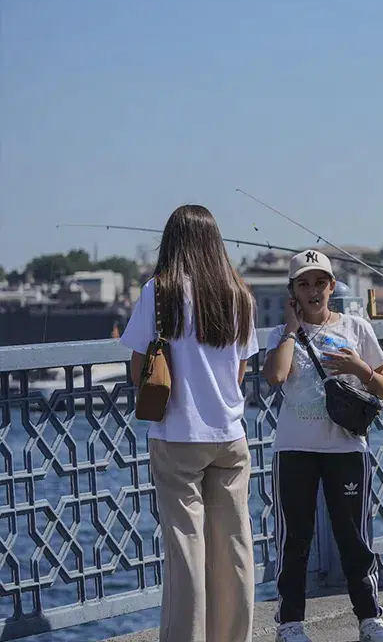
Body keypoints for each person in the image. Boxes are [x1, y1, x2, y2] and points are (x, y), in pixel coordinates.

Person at [119, 204, 259, 642]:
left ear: (171, 242)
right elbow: (239, 371)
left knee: (187, 554)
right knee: (234, 547)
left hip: (178, 436)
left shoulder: (158, 291)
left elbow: (139, 369)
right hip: (230, 436)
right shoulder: (239, 293)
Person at [262, 250, 383, 642]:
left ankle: (370, 618)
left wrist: (359, 368)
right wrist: (291, 328)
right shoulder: (280, 334)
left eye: (320, 282)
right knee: (295, 539)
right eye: (303, 284)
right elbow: (276, 375)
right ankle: (290, 623)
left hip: (346, 448)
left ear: (332, 286)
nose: (313, 291)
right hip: (295, 449)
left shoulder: (356, 327)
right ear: (292, 291)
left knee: (353, 537)